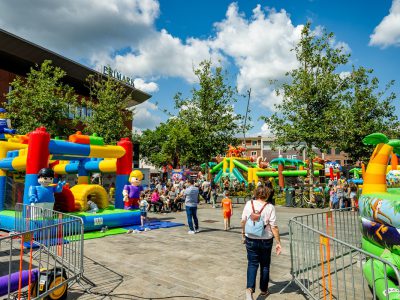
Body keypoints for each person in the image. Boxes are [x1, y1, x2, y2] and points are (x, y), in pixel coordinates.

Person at [241, 186, 281, 299]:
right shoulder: (270, 207)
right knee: (265, 265)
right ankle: (264, 290)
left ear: (256, 193)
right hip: (266, 240)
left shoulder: (249, 204)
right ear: (267, 195)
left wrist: (243, 234)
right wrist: (278, 242)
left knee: (252, 263)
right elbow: (274, 226)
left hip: (251, 239)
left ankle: (249, 289)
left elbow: (243, 221)